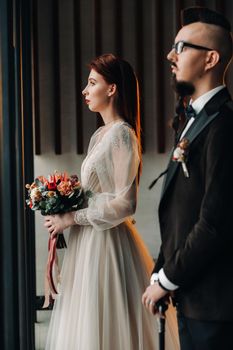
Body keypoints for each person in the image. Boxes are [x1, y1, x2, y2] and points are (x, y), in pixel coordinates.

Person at [44, 53, 157, 349]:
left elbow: (126, 203)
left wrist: (71, 218)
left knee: (103, 323)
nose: (84, 90)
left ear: (112, 89)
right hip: (88, 241)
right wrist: (62, 201)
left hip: (105, 245)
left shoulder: (121, 134)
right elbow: (94, 191)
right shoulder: (102, 134)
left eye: (92, 82)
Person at [142, 6, 233, 350]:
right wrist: (160, 270)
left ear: (210, 59)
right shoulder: (193, 120)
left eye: (180, 47)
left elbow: (214, 223)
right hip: (192, 294)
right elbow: (182, 209)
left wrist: (167, 279)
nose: (170, 55)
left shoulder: (224, 126)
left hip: (215, 304)